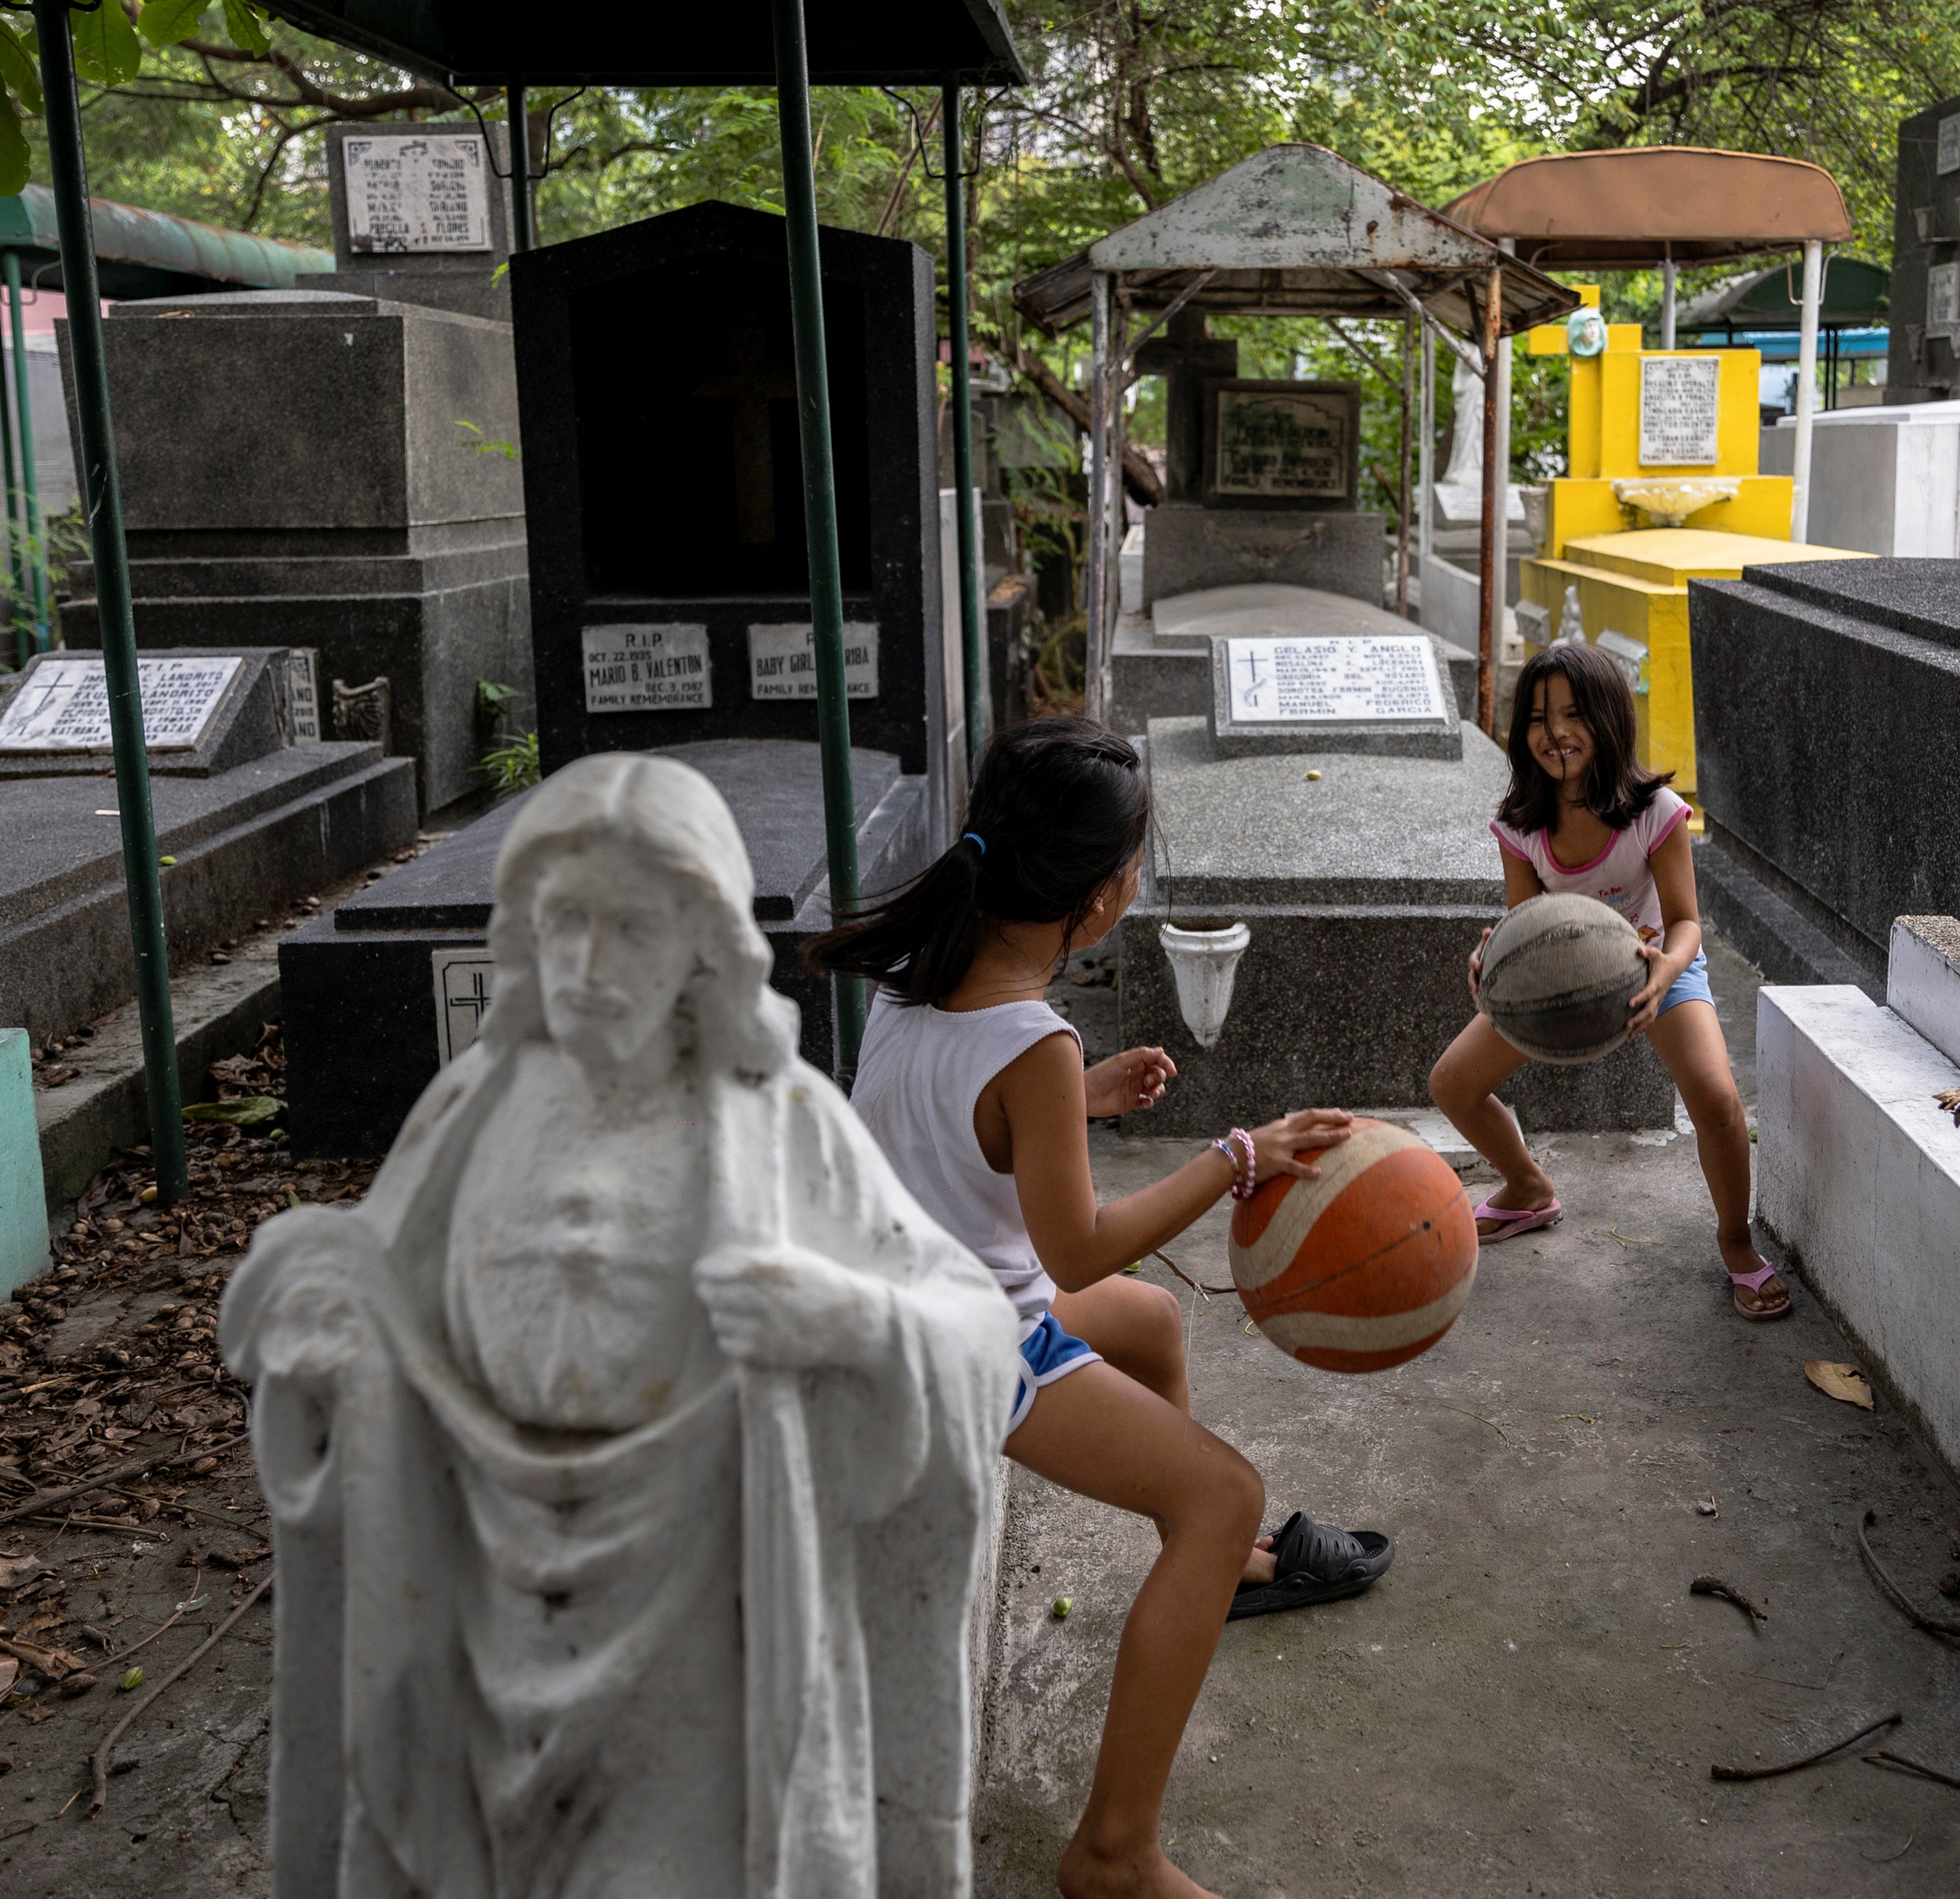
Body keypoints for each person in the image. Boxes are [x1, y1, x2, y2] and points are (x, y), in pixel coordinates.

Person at [223, 752, 1020, 1896]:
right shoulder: (470, 1109)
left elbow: (969, 1323)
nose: (589, 967)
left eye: (631, 930)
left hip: (701, 1610)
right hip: (472, 1599)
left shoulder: (781, 1123)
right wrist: (327, 1339)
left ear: (701, 944)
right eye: (565, 924)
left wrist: (851, 1320)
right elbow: (358, 1289)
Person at [812, 716, 1390, 1899]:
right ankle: (1115, 1852)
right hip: (977, 1346)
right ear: (1099, 896)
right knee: (1221, 1492)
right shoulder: (1031, 1036)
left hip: (914, 1302)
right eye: (1136, 862)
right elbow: (1076, 1253)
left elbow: (950, 1126)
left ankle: (1213, 1573)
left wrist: (1080, 1101)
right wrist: (1237, 1155)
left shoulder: (918, 976)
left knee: (1153, 1324)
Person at [1429, 642, 1790, 1320]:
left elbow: (1685, 923)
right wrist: (1494, 956)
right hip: (1566, 983)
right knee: (1451, 1083)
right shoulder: (1519, 825)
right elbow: (1528, 923)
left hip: (1659, 967)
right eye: (1537, 717)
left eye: (1572, 714)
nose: (1554, 732)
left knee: (1717, 1099)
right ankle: (1528, 1186)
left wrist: (1666, 973)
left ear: (1607, 719)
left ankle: (1737, 1241)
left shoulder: (1655, 812)